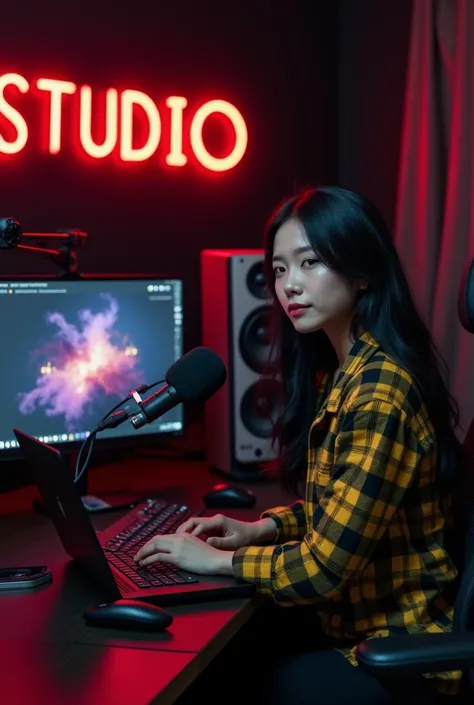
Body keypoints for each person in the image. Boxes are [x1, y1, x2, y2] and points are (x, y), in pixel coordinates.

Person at [135, 186, 464, 704]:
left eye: (309, 263)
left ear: (361, 272)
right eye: (281, 270)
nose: (290, 286)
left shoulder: (379, 394)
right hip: (351, 629)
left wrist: (215, 561)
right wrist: (259, 528)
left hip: (397, 652)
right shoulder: (346, 373)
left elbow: (325, 570)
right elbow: (340, 511)